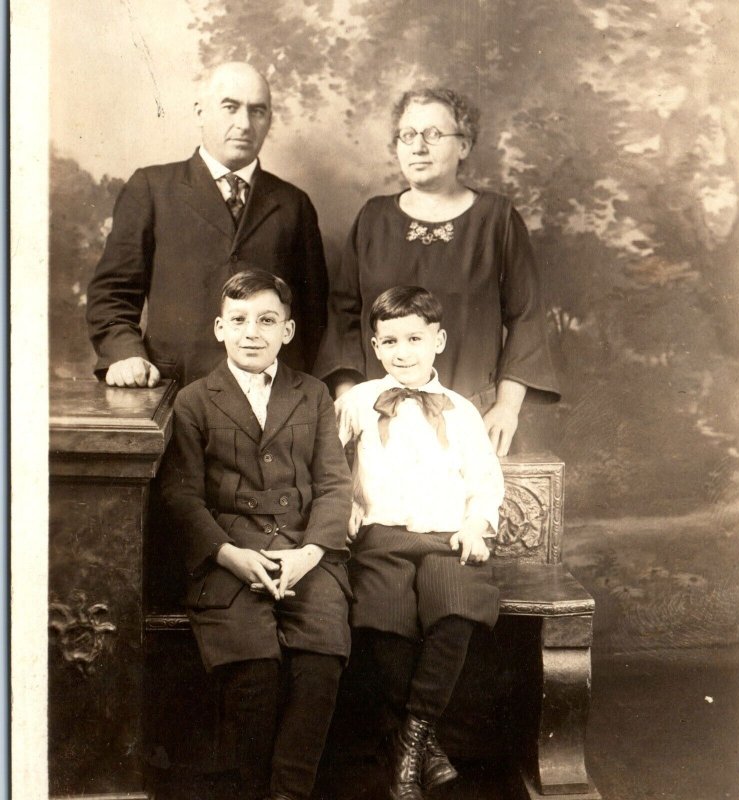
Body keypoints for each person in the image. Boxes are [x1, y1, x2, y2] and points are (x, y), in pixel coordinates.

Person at [158, 270, 351, 800]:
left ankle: (289, 794)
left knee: (319, 661)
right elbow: (182, 497)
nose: (252, 332)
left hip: (306, 556)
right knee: (255, 673)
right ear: (220, 328)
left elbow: (336, 485)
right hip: (229, 558)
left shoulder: (311, 395)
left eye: (267, 320)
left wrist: (310, 553)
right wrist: (229, 555)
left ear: (287, 331)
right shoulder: (195, 400)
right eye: (239, 320)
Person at [315, 87, 560, 457]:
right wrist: (350, 400)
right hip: (379, 420)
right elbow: (342, 317)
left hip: (471, 418)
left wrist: (507, 408)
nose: (418, 147)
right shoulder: (373, 218)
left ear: (464, 145)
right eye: (408, 135)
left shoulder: (496, 219)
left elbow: (527, 318)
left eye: (433, 134)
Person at [335, 286, 504, 800]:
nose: (402, 351)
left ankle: (411, 739)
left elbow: (486, 480)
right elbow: (330, 467)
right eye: (390, 341)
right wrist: (347, 503)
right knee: (383, 615)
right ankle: (422, 747)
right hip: (382, 536)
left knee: (453, 607)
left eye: (414, 338)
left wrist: (476, 525)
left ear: (439, 340)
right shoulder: (358, 402)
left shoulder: (461, 411)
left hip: (447, 535)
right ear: (375, 346)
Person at [86, 61, 328, 388]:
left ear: (269, 120)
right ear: (201, 112)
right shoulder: (152, 188)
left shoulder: (294, 203)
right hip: (174, 392)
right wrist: (125, 354)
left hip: (269, 400)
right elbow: (112, 295)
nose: (244, 123)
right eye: (230, 107)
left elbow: (313, 316)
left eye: (257, 111)